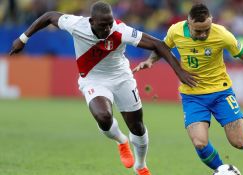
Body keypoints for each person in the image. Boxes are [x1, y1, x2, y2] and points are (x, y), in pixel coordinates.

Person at [9, 1, 196, 175]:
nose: (107, 29)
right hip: (93, 80)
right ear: (92, 21)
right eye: (103, 25)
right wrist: (23, 38)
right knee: (104, 117)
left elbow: (158, 45)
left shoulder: (120, 30)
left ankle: (141, 165)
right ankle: (121, 140)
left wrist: (179, 72)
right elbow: (49, 15)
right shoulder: (76, 24)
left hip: (122, 78)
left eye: (110, 24)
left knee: (137, 127)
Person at [133, 3, 243, 171]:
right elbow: (162, 48)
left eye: (206, 29)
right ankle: (223, 170)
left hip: (221, 93)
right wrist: (150, 60)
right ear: (189, 22)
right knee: (200, 143)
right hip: (192, 96)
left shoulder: (222, 35)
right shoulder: (175, 31)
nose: (203, 34)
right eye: (198, 31)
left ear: (211, 21)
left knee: (239, 142)